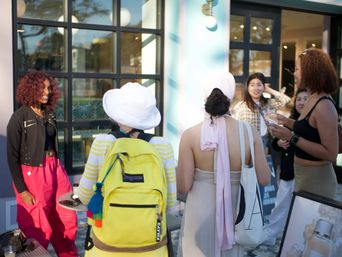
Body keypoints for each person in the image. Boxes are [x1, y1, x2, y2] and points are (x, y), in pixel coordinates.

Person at [176, 72, 271, 257]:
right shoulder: (249, 132)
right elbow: (265, 179)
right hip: (237, 212)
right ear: (231, 96)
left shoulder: (190, 135)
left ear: (205, 96)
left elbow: (183, 186)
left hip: (200, 212)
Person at [78, 82, 177, 257]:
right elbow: (169, 202)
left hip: (106, 248)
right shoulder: (163, 146)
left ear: (117, 114)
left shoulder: (102, 142)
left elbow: (85, 196)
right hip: (151, 248)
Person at [6, 70, 78, 257]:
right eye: (42, 88)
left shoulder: (49, 114)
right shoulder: (19, 117)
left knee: (66, 215)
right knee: (37, 224)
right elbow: (12, 157)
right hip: (33, 173)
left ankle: (68, 254)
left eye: (48, 88)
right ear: (31, 89)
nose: (47, 92)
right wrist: (22, 190)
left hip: (55, 168)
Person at [269, 48, 339, 199]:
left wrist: (292, 137)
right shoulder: (312, 97)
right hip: (302, 176)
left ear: (310, 71)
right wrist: (287, 121)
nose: (294, 73)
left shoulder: (324, 104)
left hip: (317, 181)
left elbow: (331, 153)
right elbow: (310, 129)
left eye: (297, 69)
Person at [261, 88, 308, 246]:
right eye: (299, 99)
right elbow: (276, 142)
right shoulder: (289, 120)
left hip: (305, 173)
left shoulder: (312, 122)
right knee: (280, 204)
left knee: (301, 208)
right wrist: (279, 143)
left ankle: (299, 239)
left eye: (305, 99)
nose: (301, 102)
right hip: (288, 172)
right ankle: (270, 235)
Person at [231, 72, 290, 150]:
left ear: (263, 87)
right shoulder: (240, 106)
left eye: (259, 85)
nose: (256, 88)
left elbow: (286, 100)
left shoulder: (268, 104)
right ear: (247, 87)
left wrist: (268, 89)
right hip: (245, 145)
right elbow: (234, 129)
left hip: (263, 143)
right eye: (252, 85)